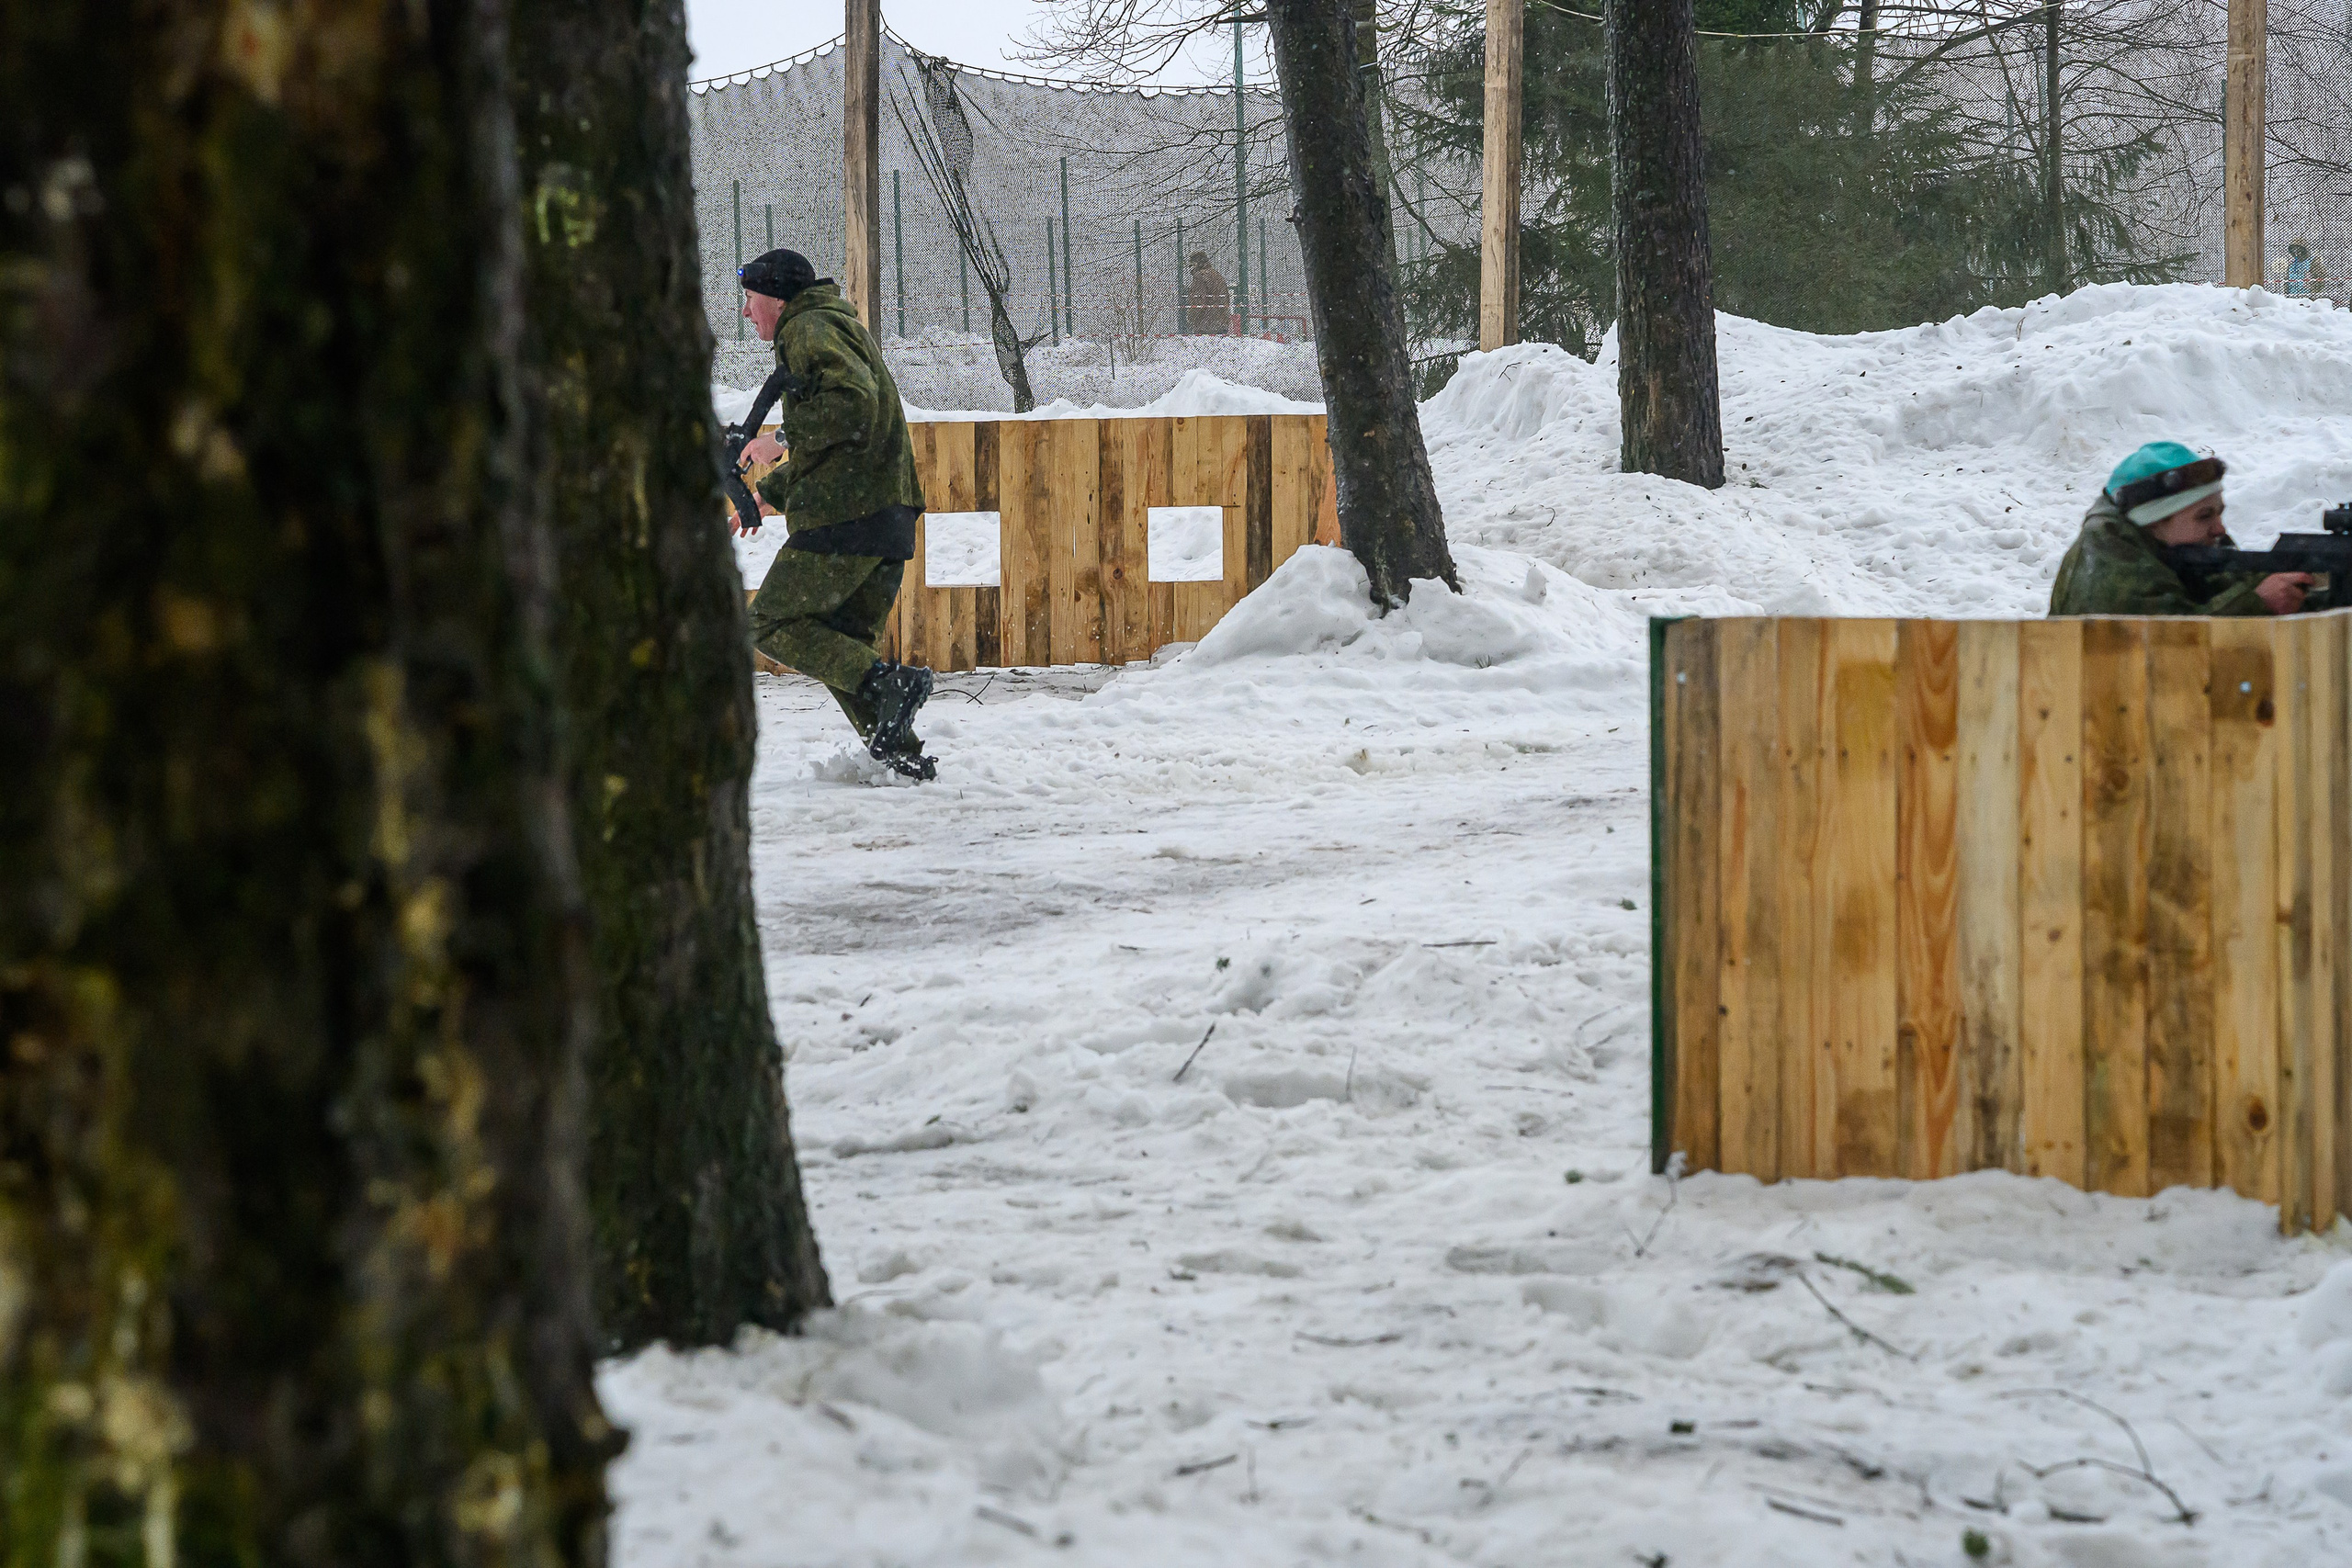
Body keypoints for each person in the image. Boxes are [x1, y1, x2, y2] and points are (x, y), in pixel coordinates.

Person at [733, 249, 938, 780]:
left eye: (751, 299)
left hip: (846, 517)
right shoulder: (832, 325)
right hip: (884, 515)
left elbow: (853, 407)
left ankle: (890, 685)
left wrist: (780, 438)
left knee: (771, 622)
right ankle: (905, 763)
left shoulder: (808, 329)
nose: (747, 312)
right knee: (842, 646)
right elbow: (847, 438)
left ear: (778, 299)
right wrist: (773, 492)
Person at [2049, 442, 2318, 617]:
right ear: (2154, 522)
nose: (2219, 529)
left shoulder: (2179, 549)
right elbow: (2174, 643)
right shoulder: (2108, 570)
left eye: (2219, 512)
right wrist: (2255, 603)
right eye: (2204, 516)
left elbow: (2227, 585)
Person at [1184, 250, 1230, 335]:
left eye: (1192, 265)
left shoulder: (1200, 276)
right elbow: (1226, 298)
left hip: (1206, 323)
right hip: (1222, 322)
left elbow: (1198, 301)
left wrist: (1191, 318)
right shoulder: (1217, 275)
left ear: (1198, 264)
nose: (1190, 269)